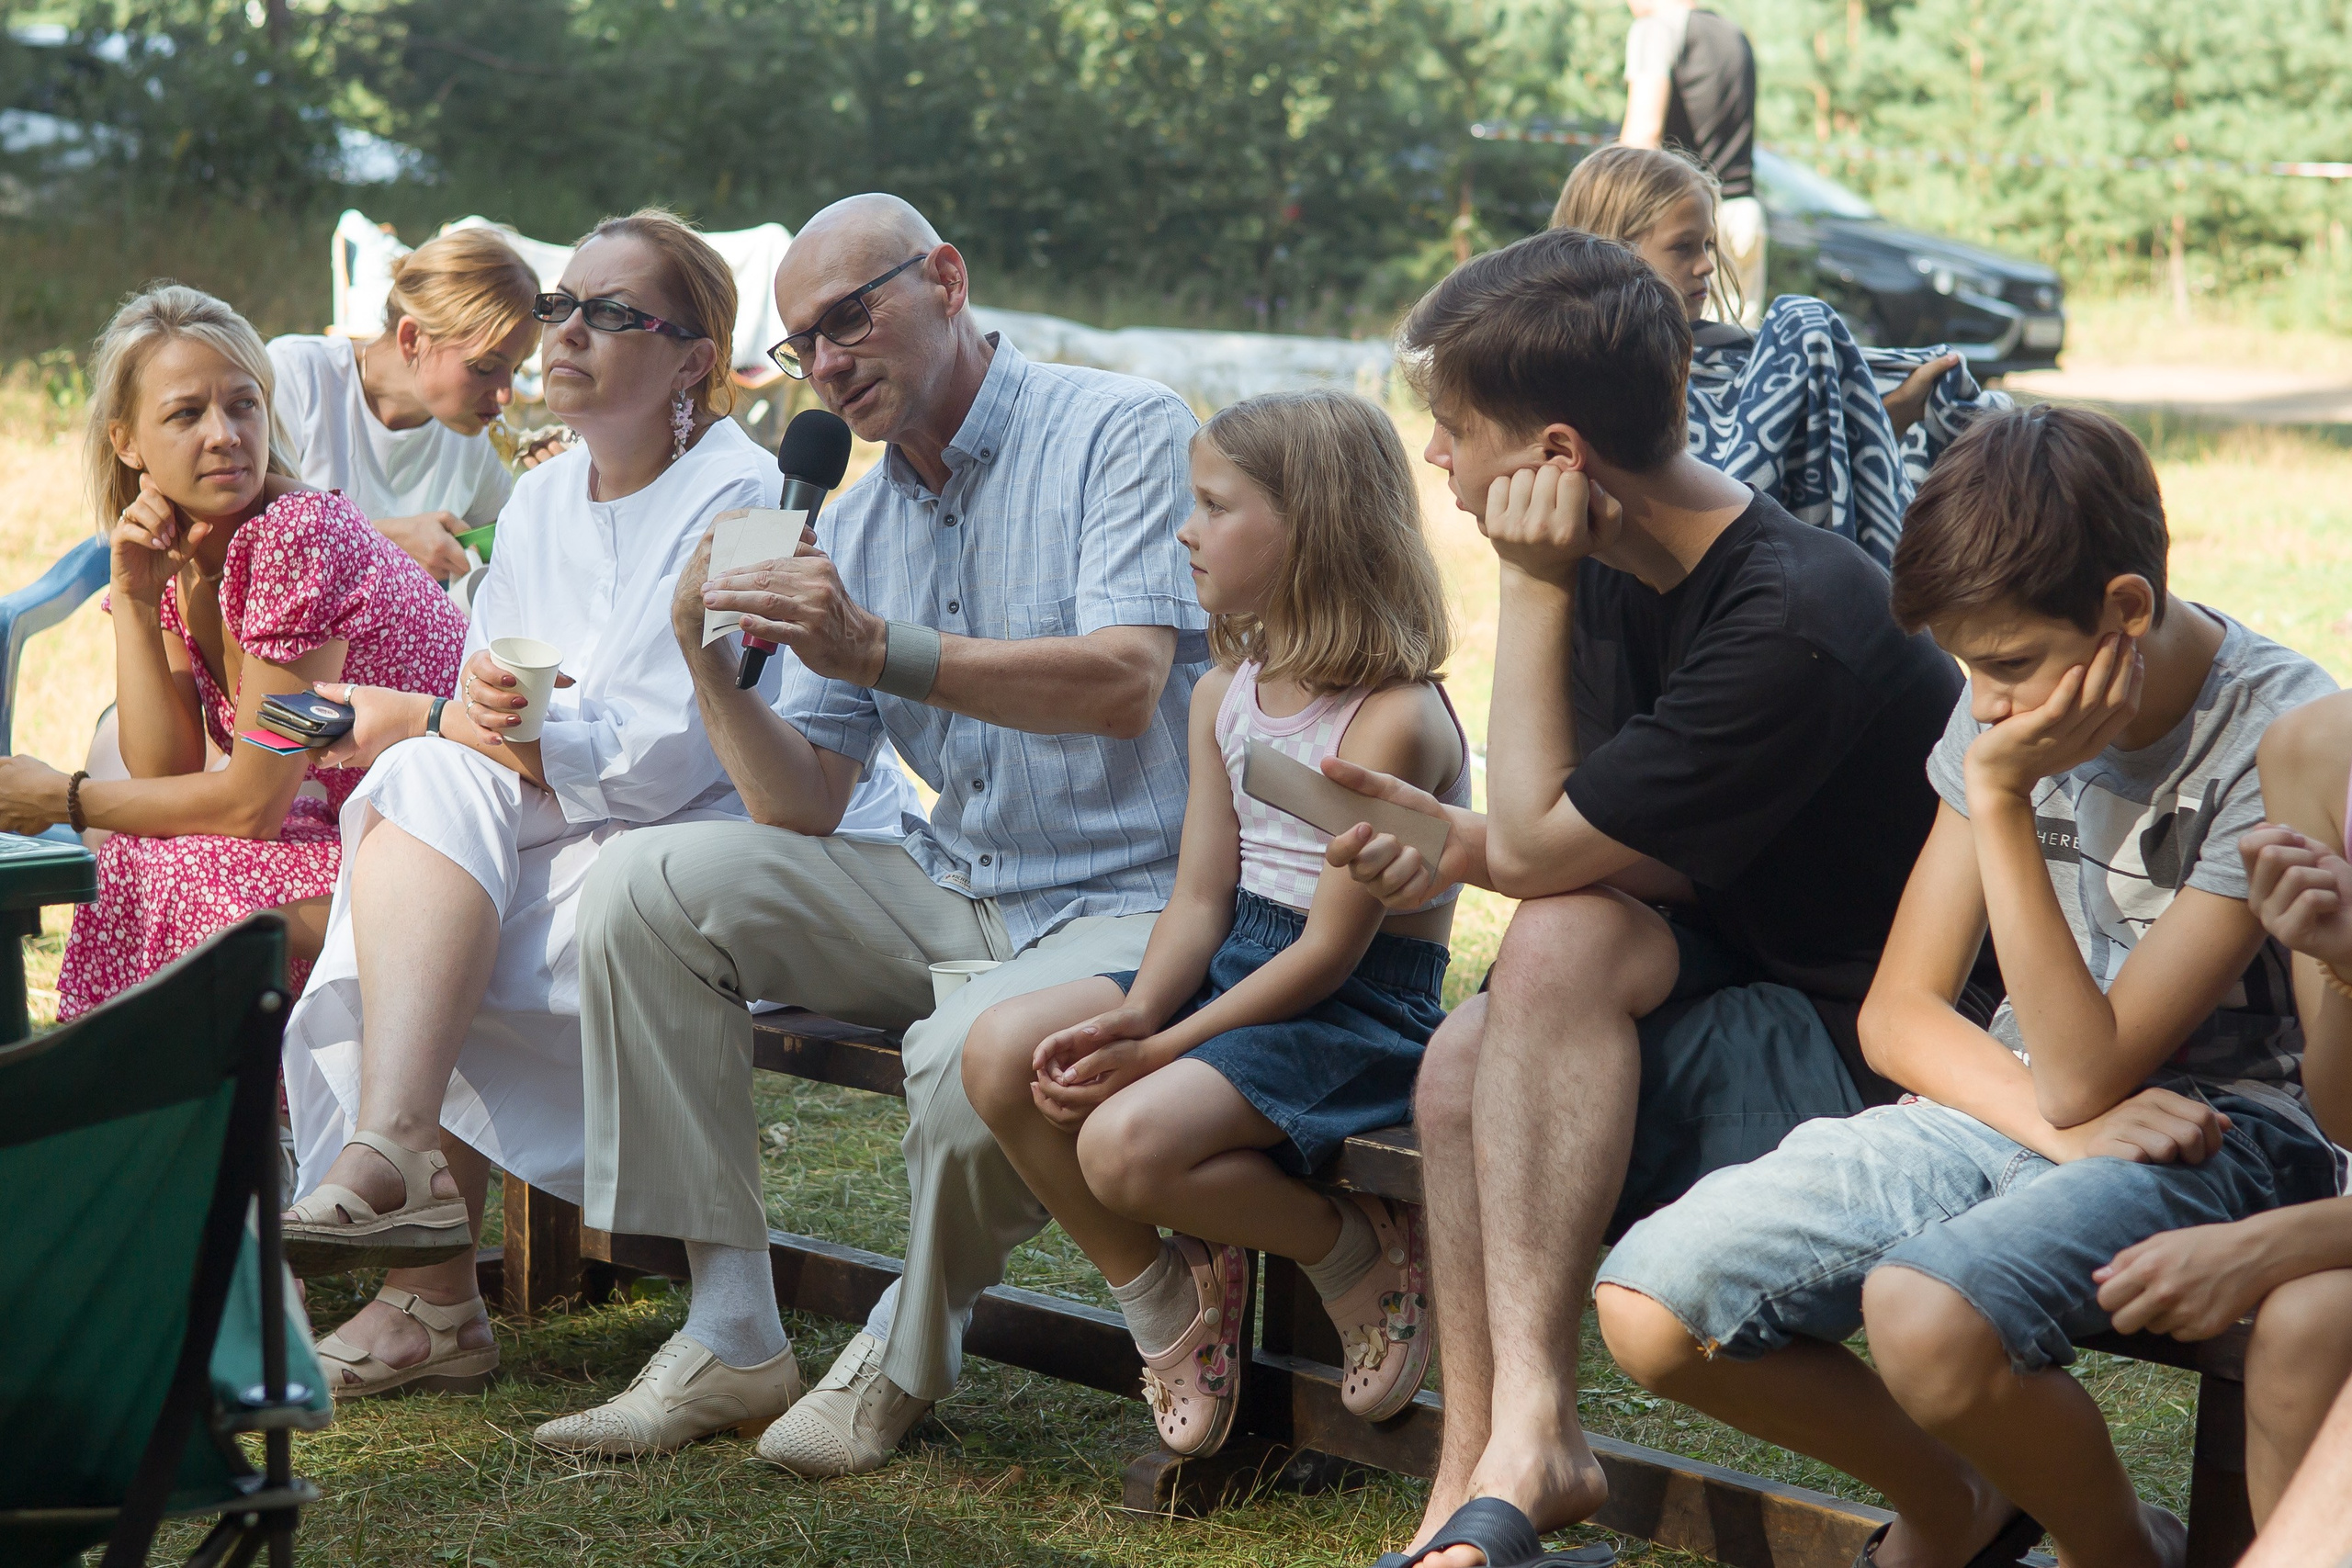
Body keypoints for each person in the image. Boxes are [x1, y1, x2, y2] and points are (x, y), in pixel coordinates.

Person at [1593, 405, 2341, 1568]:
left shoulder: (2271, 735)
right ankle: (1961, 1503)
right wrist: (2053, 1128)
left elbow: (2092, 1068)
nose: (1984, 703)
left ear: (2124, 608)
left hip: (2217, 1131)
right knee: (1651, 1303)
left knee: (1931, 1317)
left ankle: (2114, 1555)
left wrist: (1997, 801)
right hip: (2018, 1100)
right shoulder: (2006, 704)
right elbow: (1899, 1014)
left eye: (2007, 667)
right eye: (1967, 669)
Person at [1319, 229, 1962, 1566]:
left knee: (1546, 947)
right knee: (1458, 1059)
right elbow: (1614, 849)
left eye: (1454, 428)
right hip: (1734, 970)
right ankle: (1477, 1481)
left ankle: (1536, 1441)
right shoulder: (1628, 569)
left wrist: (1529, 585)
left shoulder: (1791, 616)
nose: (1435, 456)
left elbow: (1546, 857)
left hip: (1881, 1047)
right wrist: (1452, 841)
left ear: (1557, 456)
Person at [530, 193, 1204, 1466]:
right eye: (803, 346)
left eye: (851, 319)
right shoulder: (852, 517)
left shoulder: (1121, 427)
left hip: (1142, 899)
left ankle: (902, 1354)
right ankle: (733, 1327)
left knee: (960, 1050)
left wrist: (877, 646)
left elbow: (1125, 681)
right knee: (643, 885)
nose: (829, 365)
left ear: (946, 278)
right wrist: (707, 662)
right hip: (962, 886)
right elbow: (804, 801)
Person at [276, 209, 915, 1402]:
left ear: (692, 362)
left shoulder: (755, 500)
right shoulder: (538, 501)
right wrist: (472, 713)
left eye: (612, 313)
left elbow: (669, 760)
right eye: (561, 305)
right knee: (422, 787)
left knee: (440, 894)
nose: (566, 331)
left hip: (731, 842)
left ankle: (427, 1294)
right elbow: (506, 708)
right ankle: (398, 1151)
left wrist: (459, 721)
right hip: (575, 819)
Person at [961, 390, 1463, 1456]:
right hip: (1236, 969)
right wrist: (1136, 1013)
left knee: (1124, 1148)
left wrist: (1162, 1048)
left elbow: (1329, 952)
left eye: (1214, 506)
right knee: (1001, 1050)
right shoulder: (1223, 693)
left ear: (1310, 528)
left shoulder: (1393, 718)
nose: (1184, 532)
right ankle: (1164, 1289)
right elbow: (1200, 898)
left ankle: (1353, 1248)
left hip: (1351, 1011)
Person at [0, 285, 464, 1015]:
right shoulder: (185, 550)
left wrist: (64, 796)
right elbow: (167, 771)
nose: (224, 434)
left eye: (243, 405)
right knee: (136, 859)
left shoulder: (297, 536)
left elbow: (252, 807)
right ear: (126, 441)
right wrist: (136, 599)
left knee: (184, 878)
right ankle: (162, 1089)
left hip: (439, 848)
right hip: (354, 828)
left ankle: (220, 1089)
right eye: (186, 413)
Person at [2083, 691, 2352, 1535]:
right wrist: (2344, 963)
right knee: (2306, 1327)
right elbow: (2345, 1117)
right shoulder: (2315, 748)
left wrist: (2270, 1242)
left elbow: (2083, 1070)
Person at [1552, 143, 2007, 567]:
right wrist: (1874, 411)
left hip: (1776, 577)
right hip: (1692, 593)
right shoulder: (1587, 390)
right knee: (1802, 318)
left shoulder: (1727, 356)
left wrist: (1887, 411)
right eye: (1683, 247)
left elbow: (1797, 477)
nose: (1707, 264)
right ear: (1614, 251)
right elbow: (1734, 499)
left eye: (1708, 244)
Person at [268, 227, 542, 582]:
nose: (506, 395)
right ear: (412, 339)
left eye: (516, 370)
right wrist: (381, 541)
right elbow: (242, 532)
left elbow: (495, 567)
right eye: (485, 368)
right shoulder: (297, 376)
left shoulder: (478, 434)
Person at [1618, 0, 1762, 324]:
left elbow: (1643, 135)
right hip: (1744, 214)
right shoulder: (1734, 35)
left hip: (1687, 225)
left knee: (1674, 344)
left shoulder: (1655, 28)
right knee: (1739, 347)